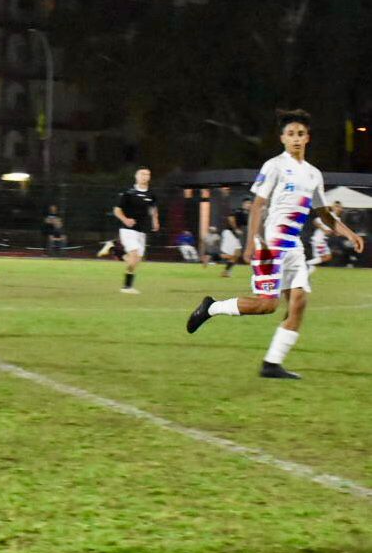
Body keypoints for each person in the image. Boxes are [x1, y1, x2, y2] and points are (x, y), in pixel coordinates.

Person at [187, 109, 365, 378]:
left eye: (300, 134)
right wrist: (251, 243)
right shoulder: (274, 166)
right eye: (290, 134)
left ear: (308, 138)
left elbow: (324, 214)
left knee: (298, 303)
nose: (296, 138)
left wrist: (349, 233)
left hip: (294, 247)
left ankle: (271, 364)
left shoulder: (313, 174)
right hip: (270, 246)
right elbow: (258, 205)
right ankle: (211, 307)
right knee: (267, 305)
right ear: (282, 138)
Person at [112, 167, 159, 293]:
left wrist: (155, 220)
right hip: (128, 229)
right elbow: (116, 210)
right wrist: (125, 219)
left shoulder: (151, 194)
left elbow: (153, 209)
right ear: (136, 176)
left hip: (142, 231)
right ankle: (127, 287)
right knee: (134, 254)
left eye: (148, 174)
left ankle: (119, 254)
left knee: (137, 259)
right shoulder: (128, 193)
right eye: (142, 174)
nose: (145, 176)